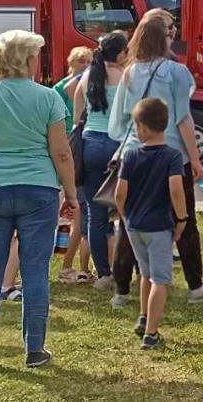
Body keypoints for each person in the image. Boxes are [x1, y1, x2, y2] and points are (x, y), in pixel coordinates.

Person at [0, 29, 77, 369]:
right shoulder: (48, 97)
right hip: (39, 188)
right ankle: (34, 349)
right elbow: (60, 152)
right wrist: (70, 193)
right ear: (28, 59)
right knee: (35, 271)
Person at [108, 10, 203, 306]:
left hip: (135, 152)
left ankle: (121, 291)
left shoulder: (130, 72)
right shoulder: (176, 72)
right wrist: (196, 160)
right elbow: (183, 119)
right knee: (185, 219)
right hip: (171, 155)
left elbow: (119, 120)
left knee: (129, 221)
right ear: (164, 38)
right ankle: (195, 286)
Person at [114, 98, 188, 349]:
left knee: (145, 274)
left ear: (143, 128)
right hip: (159, 226)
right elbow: (176, 190)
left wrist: (126, 216)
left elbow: (119, 194)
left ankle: (144, 317)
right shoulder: (172, 156)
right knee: (161, 279)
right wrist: (182, 218)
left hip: (134, 226)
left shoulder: (131, 155)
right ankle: (151, 333)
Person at [72, 32, 128, 290]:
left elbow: (77, 118)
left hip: (91, 144)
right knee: (125, 211)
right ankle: (125, 269)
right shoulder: (125, 77)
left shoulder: (87, 77)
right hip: (118, 146)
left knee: (95, 215)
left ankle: (104, 274)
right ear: (121, 54)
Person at [54, 45, 93, 283]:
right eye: (82, 62)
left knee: (76, 217)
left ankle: (75, 265)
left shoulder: (86, 84)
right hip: (72, 149)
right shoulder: (62, 88)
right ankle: (69, 265)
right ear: (72, 63)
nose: (87, 66)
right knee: (76, 217)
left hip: (75, 149)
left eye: (89, 62)